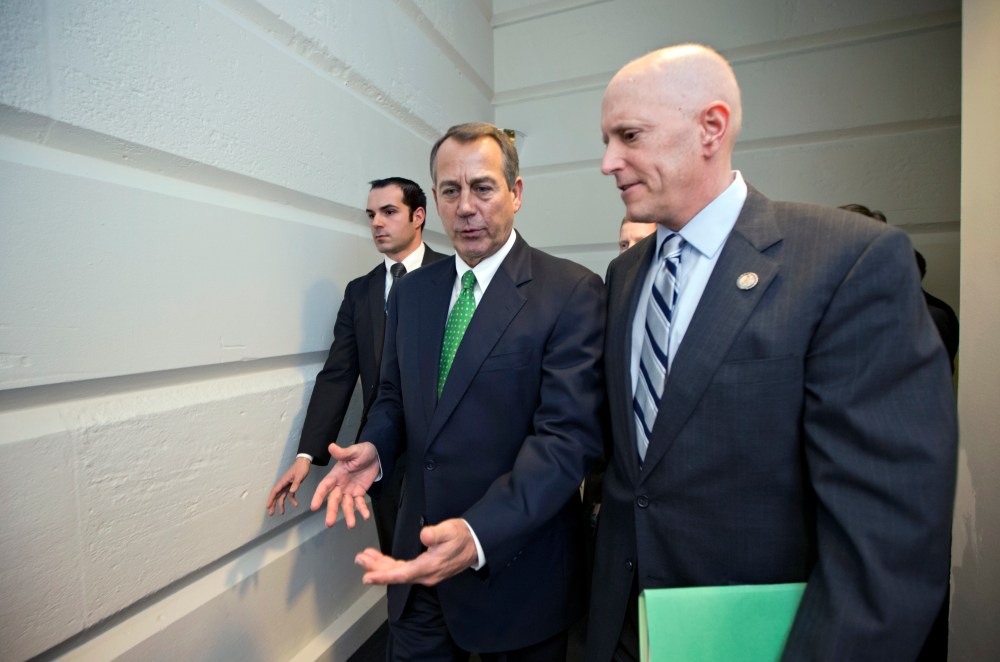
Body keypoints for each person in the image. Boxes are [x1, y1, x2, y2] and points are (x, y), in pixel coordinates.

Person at [588, 44, 957, 662]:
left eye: (629, 136)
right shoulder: (626, 276)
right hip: (627, 625)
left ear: (711, 128)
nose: (607, 162)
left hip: (763, 637)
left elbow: (887, 535)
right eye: (606, 139)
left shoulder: (845, 259)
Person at [310, 123, 606, 660]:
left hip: (516, 572)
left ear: (515, 193)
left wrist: (476, 532)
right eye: (450, 190)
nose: (466, 206)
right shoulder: (414, 293)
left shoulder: (571, 292)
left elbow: (565, 442)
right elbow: (395, 398)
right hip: (416, 570)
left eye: (483, 188)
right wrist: (375, 449)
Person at [266, 177, 445, 556]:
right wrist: (306, 456)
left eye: (389, 212)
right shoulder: (360, 292)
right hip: (379, 456)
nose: (377, 223)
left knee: (451, 572)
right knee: (398, 569)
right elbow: (338, 375)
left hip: (444, 452)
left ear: (418, 216)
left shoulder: (452, 277)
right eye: (371, 215)